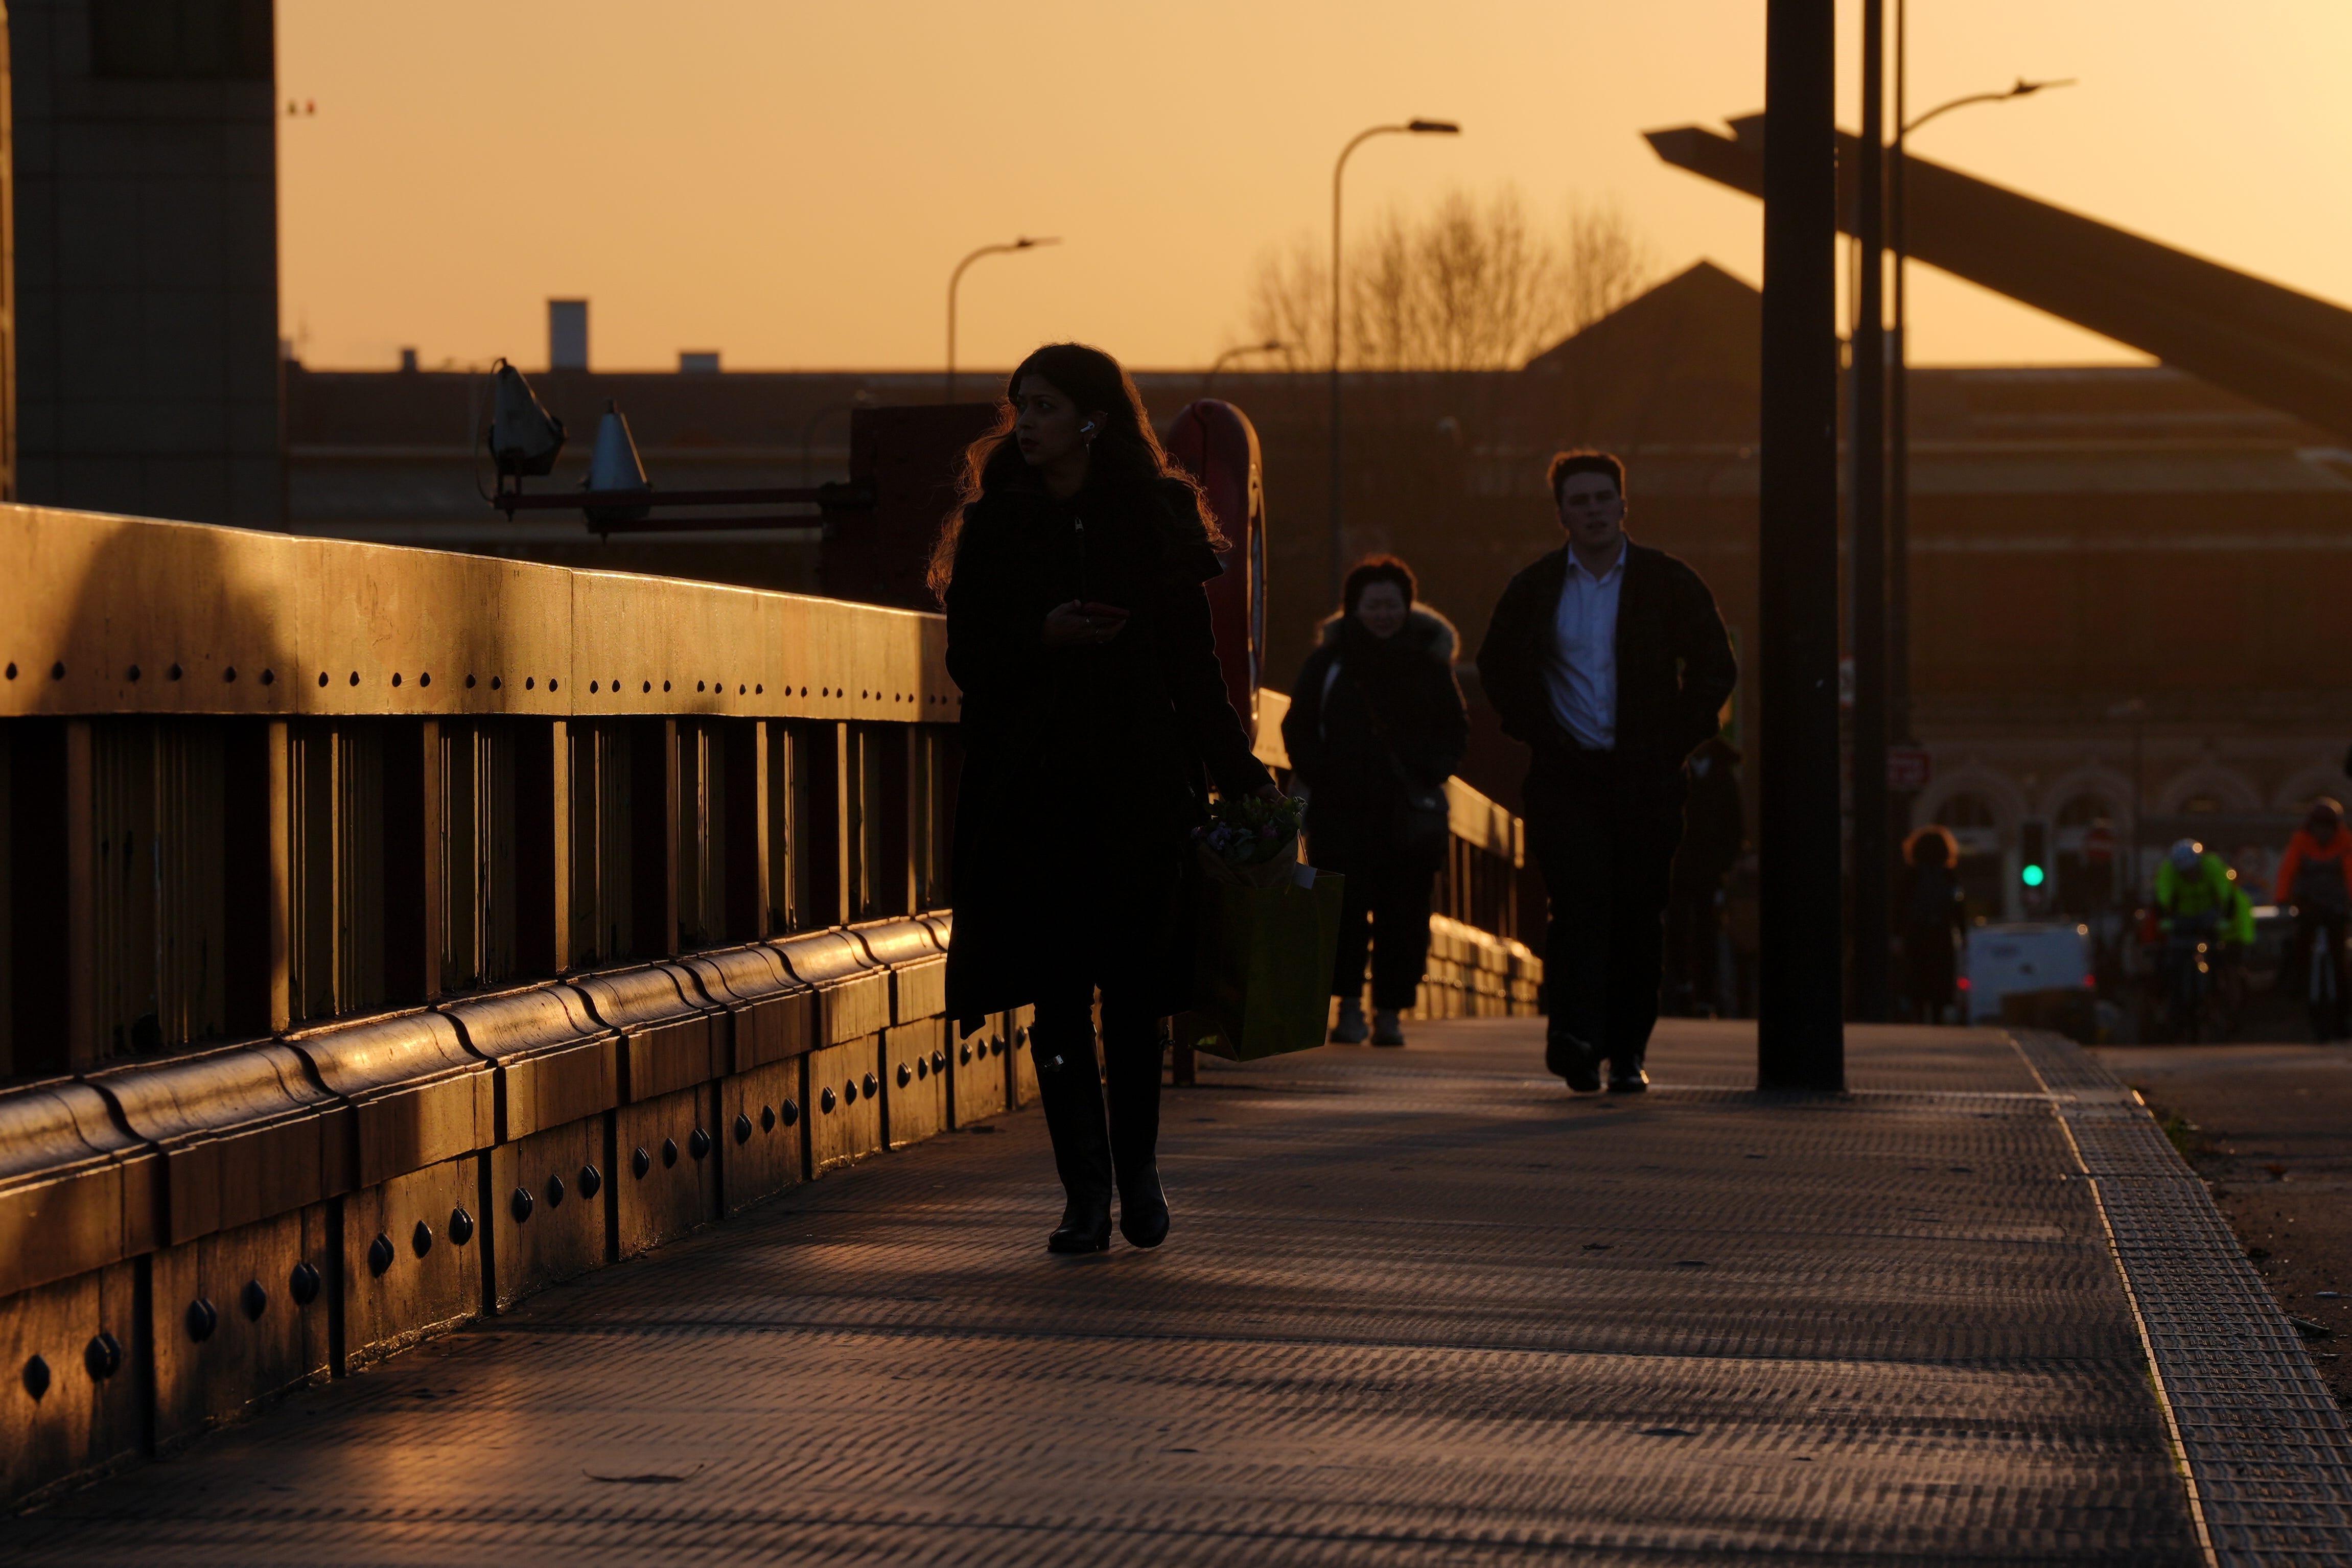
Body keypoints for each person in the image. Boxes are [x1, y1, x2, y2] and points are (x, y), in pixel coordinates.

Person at [933, 342, 1276, 1255]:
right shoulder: (997, 522)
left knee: (1131, 998)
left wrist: (1238, 771)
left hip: (1136, 792)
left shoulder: (1155, 513)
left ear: (1091, 417)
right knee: (1054, 999)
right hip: (1034, 793)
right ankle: (1082, 1195)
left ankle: (1141, 1179)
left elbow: (1192, 667)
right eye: (1019, 407)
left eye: (1041, 406)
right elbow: (968, 657)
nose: (1024, 425)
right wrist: (1039, 634)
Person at [1476, 450, 1737, 1093]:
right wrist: (1536, 731)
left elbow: (1714, 667)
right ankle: (1573, 1038)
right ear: (1562, 513)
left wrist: (1674, 740)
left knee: (1637, 915)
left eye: (1602, 498)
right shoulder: (1536, 588)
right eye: (1579, 501)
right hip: (1567, 775)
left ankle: (1625, 1051)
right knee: (1576, 906)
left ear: (1624, 505)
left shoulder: (1667, 582)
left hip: (1646, 778)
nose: (1592, 510)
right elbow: (1497, 666)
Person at [1280, 555, 1469, 1047]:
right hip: (1341, 811)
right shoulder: (1330, 662)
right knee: (1344, 912)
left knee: (1404, 916)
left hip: (1407, 815)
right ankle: (1347, 1008)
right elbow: (1297, 724)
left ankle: (1389, 1012)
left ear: (1407, 607)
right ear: (1354, 608)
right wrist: (1321, 771)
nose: (1384, 614)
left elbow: (1455, 729)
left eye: (1392, 604)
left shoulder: (1428, 662)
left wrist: (1429, 771)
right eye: (1374, 604)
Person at [1663, 735, 1743, 1017]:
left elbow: (1734, 827)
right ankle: (1685, 988)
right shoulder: (1686, 771)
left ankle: (1703, 995)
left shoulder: (1720, 777)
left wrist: (1723, 864)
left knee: (1705, 930)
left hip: (1706, 869)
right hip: (1679, 867)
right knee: (1679, 927)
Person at [2276, 799, 2352, 1040]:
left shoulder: (2346, 843)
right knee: (2302, 950)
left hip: (2337, 909)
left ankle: (2341, 1014)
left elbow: (2351, 874)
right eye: (2319, 827)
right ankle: (2299, 986)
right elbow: (2288, 870)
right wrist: (2283, 898)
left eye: (2328, 827)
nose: (2323, 833)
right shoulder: (2300, 842)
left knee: (2339, 961)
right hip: (2309, 906)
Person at [1900, 825, 1966, 1024]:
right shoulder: (1949, 876)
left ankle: (1919, 1014)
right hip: (1941, 932)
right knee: (1940, 977)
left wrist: (1897, 934)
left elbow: (1900, 906)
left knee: (1918, 975)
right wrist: (1963, 935)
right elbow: (1958, 908)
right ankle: (1938, 1017)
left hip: (1917, 932)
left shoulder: (1912, 876)